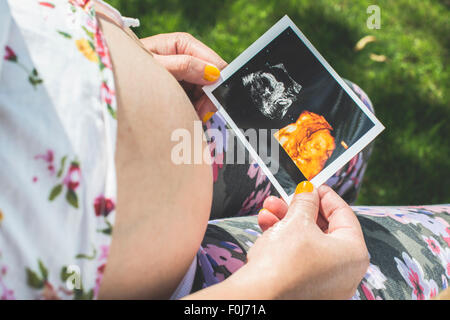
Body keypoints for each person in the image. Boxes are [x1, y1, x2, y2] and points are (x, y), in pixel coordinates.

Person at [0, 0, 448, 300]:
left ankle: (320, 224)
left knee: (349, 122)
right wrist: (272, 288)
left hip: (183, 139)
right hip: (207, 290)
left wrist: (98, 64)